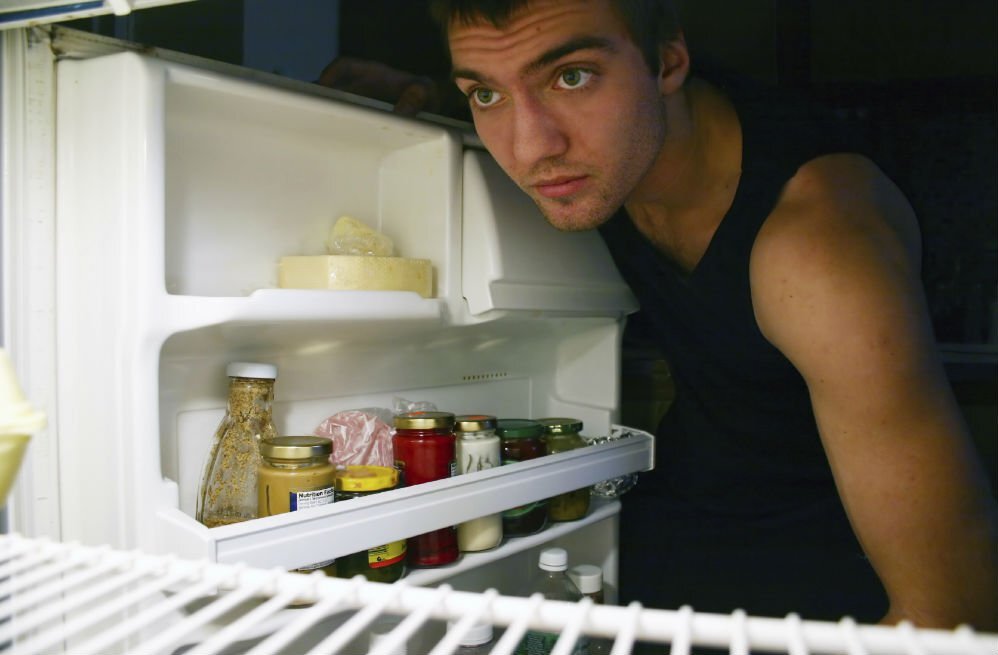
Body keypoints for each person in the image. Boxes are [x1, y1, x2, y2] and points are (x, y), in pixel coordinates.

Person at [320, 0, 998, 629]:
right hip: (679, 509)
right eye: (487, 94)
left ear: (670, 61)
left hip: (829, 565)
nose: (529, 150)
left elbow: (953, 611)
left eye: (572, 76)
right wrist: (430, 94)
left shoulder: (819, 250)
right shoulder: (605, 150)